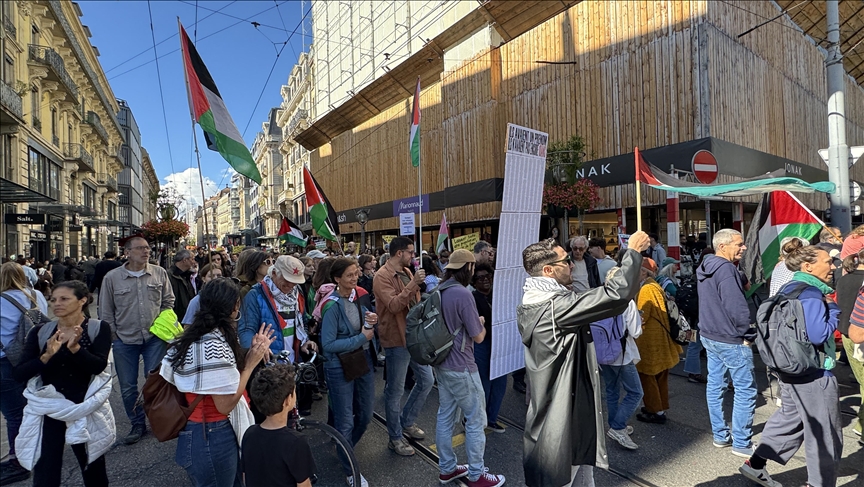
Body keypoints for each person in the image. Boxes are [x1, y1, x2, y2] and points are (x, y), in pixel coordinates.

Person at [516, 231, 651, 487]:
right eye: (566, 260)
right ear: (548, 270)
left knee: (580, 474)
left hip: (570, 408)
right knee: (563, 476)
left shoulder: (540, 300)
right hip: (563, 416)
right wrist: (633, 251)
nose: (572, 264)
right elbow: (614, 295)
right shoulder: (554, 307)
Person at [739, 242, 842, 487]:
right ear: (808, 266)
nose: (832, 266)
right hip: (813, 373)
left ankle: (755, 464)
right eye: (828, 262)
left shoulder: (789, 287)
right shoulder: (812, 294)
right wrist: (834, 310)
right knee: (824, 434)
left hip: (787, 368)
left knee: (789, 419)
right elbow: (818, 334)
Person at [161, 278, 273, 487]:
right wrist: (250, 364)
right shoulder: (212, 344)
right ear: (234, 307)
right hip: (212, 434)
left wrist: (251, 351)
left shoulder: (200, 336)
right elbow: (225, 405)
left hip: (206, 432)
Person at [13, 280, 112, 487]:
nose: (57, 303)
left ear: (82, 300)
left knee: (92, 467)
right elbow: (20, 373)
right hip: (49, 407)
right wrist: (46, 356)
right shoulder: (40, 331)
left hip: (84, 405)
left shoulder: (98, 328)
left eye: (64, 299)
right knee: (46, 469)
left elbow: (98, 367)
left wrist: (76, 349)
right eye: (53, 299)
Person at [434, 250, 505, 487]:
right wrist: (481, 323)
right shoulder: (463, 294)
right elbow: (478, 336)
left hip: (443, 363)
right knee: (476, 420)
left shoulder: (440, 290)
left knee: (445, 416)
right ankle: (476, 474)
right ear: (468, 268)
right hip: (462, 365)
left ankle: (447, 468)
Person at [99, 235, 175, 445]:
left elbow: (168, 301)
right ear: (127, 253)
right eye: (140, 248)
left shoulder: (159, 273)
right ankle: (137, 423)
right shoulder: (112, 278)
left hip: (154, 338)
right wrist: (114, 336)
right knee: (127, 387)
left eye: (147, 248)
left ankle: (157, 419)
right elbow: (105, 311)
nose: (146, 251)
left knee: (154, 382)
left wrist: (162, 325)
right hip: (125, 340)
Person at [696, 228, 756, 458]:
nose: (744, 247)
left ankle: (720, 435)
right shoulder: (726, 270)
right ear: (722, 246)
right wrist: (747, 333)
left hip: (709, 334)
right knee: (745, 390)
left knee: (715, 385)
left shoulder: (707, 265)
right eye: (739, 244)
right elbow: (736, 306)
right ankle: (741, 442)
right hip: (730, 338)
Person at [372, 236, 432, 456]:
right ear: (399, 253)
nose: (413, 256)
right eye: (411, 252)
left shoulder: (406, 271)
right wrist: (413, 283)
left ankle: (406, 421)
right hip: (396, 339)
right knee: (395, 390)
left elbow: (414, 303)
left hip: (413, 337)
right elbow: (394, 305)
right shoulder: (382, 276)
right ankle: (395, 437)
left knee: (427, 380)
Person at [320, 258, 377, 487]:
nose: (355, 278)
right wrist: (361, 338)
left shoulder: (357, 297)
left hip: (361, 361)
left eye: (356, 273)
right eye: (349, 275)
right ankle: (350, 469)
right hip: (338, 366)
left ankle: (345, 447)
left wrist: (371, 321)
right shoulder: (331, 306)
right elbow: (328, 345)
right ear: (337, 279)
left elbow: (363, 326)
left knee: (366, 415)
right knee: (345, 422)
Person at [239, 255, 318, 417]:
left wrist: (305, 341)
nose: (290, 285)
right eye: (287, 280)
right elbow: (246, 330)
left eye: (294, 282)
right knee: (271, 416)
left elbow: (301, 322)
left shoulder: (297, 293)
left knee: (289, 413)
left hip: (292, 363)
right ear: (274, 273)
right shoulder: (255, 295)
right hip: (267, 368)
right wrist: (257, 348)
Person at [0, 263, 49, 484]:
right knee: (30, 406)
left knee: (13, 414)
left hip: (5, 360)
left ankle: (18, 460)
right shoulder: (36, 295)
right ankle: (36, 449)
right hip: (32, 357)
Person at [242, 364, 315, 487]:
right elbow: (304, 484)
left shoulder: (249, 434)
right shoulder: (296, 442)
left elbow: (245, 477)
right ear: (288, 400)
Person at [597, 266, 644, 450]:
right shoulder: (627, 302)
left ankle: (616, 425)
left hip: (602, 353)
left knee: (612, 390)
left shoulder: (599, 298)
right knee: (635, 392)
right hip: (622, 354)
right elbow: (636, 331)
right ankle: (618, 427)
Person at [634, 258, 682, 424]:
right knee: (660, 376)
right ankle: (660, 407)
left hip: (650, 341)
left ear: (643, 272)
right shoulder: (654, 285)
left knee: (648, 376)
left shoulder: (646, 289)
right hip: (660, 337)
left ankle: (654, 410)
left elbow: (641, 316)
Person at [470, 263, 506, 433]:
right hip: (482, 344)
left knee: (500, 381)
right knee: (484, 382)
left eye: (488, 276)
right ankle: (476, 419)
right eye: (480, 278)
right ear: (474, 282)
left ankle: (491, 418)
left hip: (500, 342)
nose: (485, 280)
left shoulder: (500, 295)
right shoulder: (472, 298)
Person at [834, 248, 864, 440]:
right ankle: (862, 426)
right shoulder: (861, 282)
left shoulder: (845, 278)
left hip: (846, 332)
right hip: (857, 334)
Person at [168, 249, 197, 321]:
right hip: (176, 317)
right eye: (192, 259)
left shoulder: (187, 275)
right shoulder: (169, 276)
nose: (194, 262)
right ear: (185, 260)